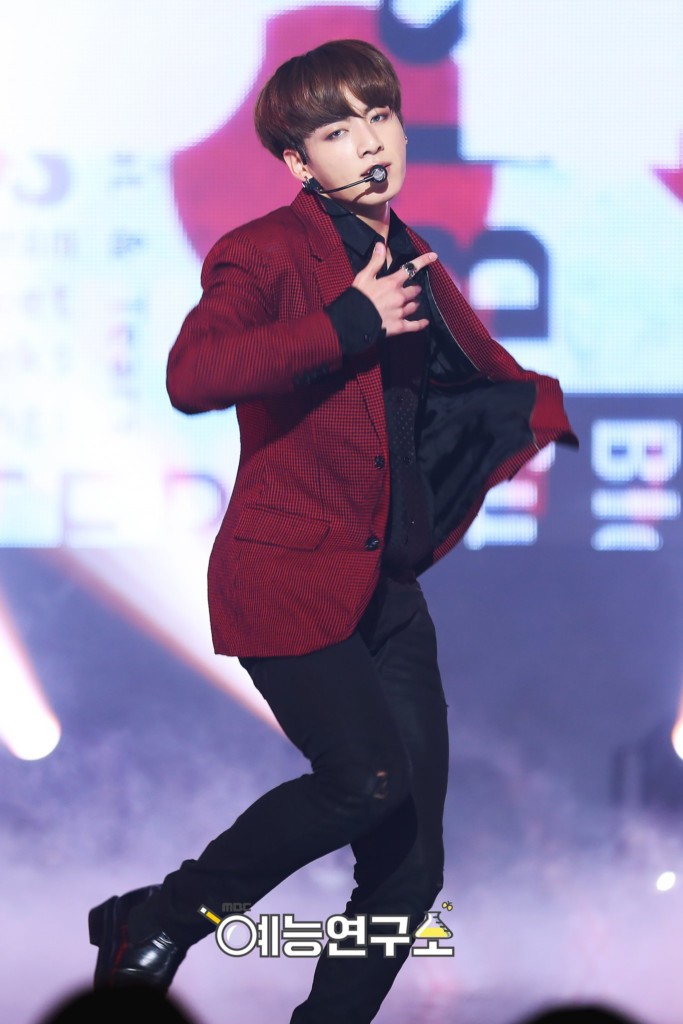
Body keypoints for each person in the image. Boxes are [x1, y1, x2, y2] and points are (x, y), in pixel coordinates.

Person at [88, 38, 578, 1023]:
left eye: (379, 117)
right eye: (336, 130)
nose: (368, 142)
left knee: (409, 869)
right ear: (298, 161)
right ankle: (162, 916)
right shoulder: (266, 251)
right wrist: (347, 323)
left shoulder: (407, 253)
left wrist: (522, 413)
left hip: (385, 590)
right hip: (286, 574)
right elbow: (193, 376)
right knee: (364, 781)